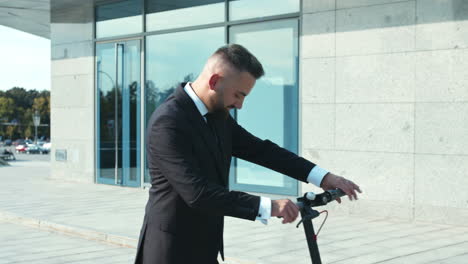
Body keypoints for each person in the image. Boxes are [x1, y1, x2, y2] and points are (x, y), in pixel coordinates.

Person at [135, 44, 361, 264]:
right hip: (171, 250)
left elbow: (261, 150)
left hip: (205, 245)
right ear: (214, 81)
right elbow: (198, 193)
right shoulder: (168, 122)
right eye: (238, 95)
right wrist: (269, 206)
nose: (240, 105)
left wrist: (322, 176)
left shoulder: (217, 115)